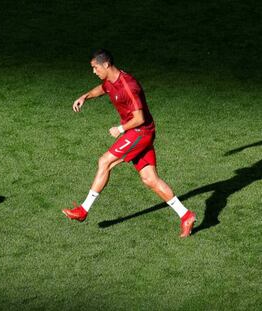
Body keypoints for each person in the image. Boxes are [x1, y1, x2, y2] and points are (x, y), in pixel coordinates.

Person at [62, 49, 196, 238]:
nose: (93, 71)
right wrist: (85, 96)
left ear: (106, 64)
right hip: (138, 132)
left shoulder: (128, 86)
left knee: (104, 161)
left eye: (95, 67)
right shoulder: (110, 81)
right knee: (150, 179)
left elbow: (139, 118)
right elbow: (103, 89)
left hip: (140, 131)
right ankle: (186, 215)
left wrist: (120, 129)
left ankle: (83, 210)